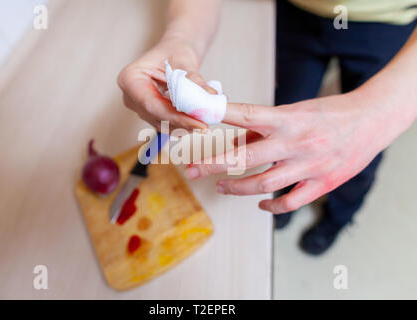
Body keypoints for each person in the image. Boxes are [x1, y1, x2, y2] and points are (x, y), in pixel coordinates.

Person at [117, 0, 417, 255]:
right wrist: (182, 38)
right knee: (284, 126)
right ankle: (288, 192)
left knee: (357, 153)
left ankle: (337, 217)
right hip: (296, 13)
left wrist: (382, 111)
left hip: (388, 23)